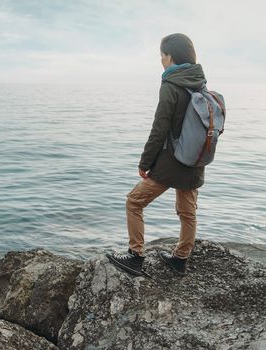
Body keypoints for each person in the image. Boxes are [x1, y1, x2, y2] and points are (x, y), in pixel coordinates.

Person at [106, 33, 208, 276]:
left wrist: (145, 162)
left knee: (134, 201)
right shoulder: (201, 84)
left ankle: (135, 256)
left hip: (171, 163)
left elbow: (159, 129)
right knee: (188, 212)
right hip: (194, 161)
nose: (160, 60)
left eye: (162, 55)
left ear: (170, 56)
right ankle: (180, 260)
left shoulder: (171, 85)